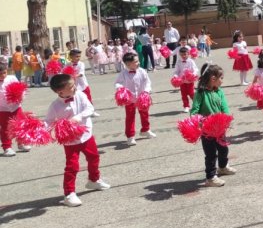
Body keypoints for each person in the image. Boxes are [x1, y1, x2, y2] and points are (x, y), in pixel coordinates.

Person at [45, 74, 110, 207]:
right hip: (70, 141)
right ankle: (69, 193)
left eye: (73, 84)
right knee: (72, 166)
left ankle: (94, 179)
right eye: (70, 86)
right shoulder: (55, 106)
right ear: (60, 91)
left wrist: (79, 117)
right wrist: (40, 130)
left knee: (94, 157)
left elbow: (90, 108)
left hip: (86, 134)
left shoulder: (80, 95)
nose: (74, 87)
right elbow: (48, 121)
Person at [191, 63, 236, 187]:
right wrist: (199, 120)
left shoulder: (219, 91)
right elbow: (194, 110)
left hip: (219, 127)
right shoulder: (200, 93)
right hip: (207, 130)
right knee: (210, 154)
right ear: (213, 79)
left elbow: (224, 106)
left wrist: (226, 117)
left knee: (223, 149)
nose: (222, 81)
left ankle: (222, 167)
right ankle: (210, 177)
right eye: (221, 78)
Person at [115, 53, 155, 146]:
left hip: (142, 98)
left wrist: (146, 91)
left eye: (138, 60)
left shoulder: (142, 71)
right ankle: (130, 136)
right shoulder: (123, 73)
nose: (138, 62)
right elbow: (117, 83)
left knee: (145, 114)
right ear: (128, 64)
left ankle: (145, 130)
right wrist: (120, 89)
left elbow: (147, 82)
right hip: (130, 99)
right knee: (130, 117)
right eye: (136, 61)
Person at [0, 63, 31, 156]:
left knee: (20, 125)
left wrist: (21, 97)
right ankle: (7, 147)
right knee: (6, 128)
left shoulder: (12, 78)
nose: (3, 75)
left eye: (4, 73)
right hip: (3, 109)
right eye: (0, 74)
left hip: (16, 107)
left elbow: (21, 89)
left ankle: (21, 143)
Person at [174, 46, 199, 113]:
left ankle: (196, 105)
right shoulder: (178, 62)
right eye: (182, 55)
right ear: (180, 55)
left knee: (191, 93)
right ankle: (186, 106)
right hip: (182, 81)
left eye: (185, 54)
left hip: (190, 81)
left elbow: (195, 69)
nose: (184, 56)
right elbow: (176, 71)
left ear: (188, 54)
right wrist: (175, 76)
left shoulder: (191, 61)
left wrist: (193, 74)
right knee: (183, 95)